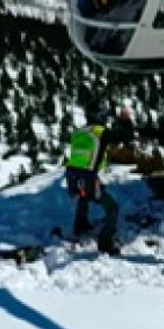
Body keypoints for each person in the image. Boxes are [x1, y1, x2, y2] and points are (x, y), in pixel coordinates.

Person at [64, 109, 120, 254]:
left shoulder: (79, 132)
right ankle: (105, 243)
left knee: (84, 197)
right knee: (112, 208)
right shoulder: (99, 131)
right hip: (90, 177)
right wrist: (126, 121)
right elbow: (121, 136)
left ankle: (80, 226)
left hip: (74, 177)